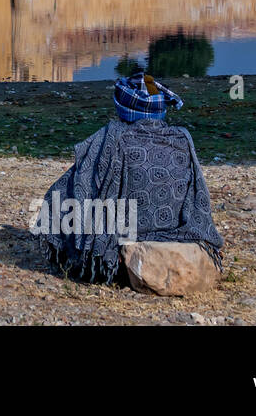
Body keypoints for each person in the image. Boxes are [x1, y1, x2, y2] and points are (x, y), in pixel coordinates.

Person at [33, 72, 224, 283]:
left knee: (67, 193)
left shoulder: (112, 137)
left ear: (122, 108)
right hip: (175, 227)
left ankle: (93, 257)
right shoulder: (182, 138)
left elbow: (82, 180)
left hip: (125, 230)